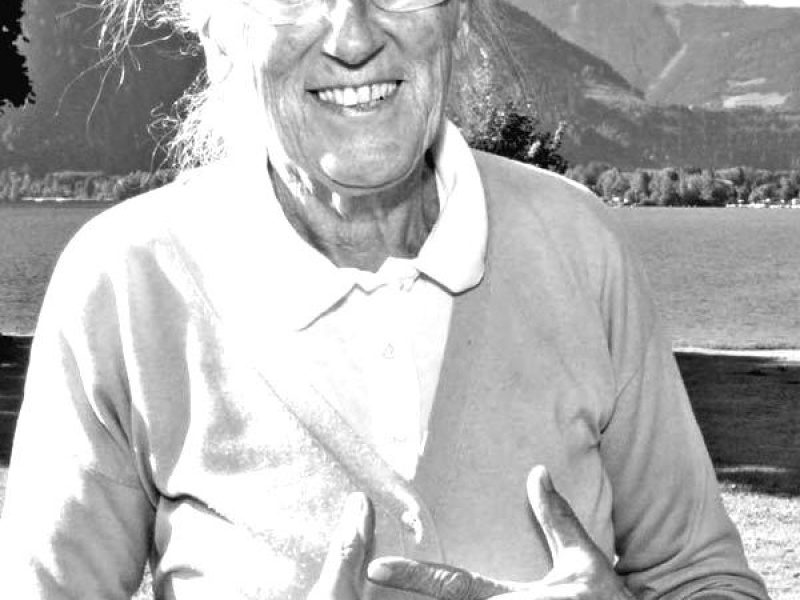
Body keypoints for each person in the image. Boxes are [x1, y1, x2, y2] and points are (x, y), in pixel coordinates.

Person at [0, 0, 771, 599]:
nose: (353, 35)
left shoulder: (577, 244)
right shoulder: (126, 282)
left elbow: (707, 580)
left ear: (456, 15)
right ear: (219, 30)